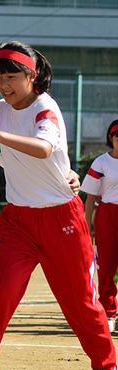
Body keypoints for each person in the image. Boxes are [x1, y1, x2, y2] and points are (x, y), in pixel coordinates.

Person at [0, 41, 118, 370]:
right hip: (18, 220)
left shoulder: (45, 107)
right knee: (0, 291)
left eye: (12, 77)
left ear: (32, 77)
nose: (4, 85)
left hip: (61, 219)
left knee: (81, 304)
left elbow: (43, 148)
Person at [81, 119, 118, 333]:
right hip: (108, 214)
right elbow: (90, 197)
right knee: (107, 266)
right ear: (111, 139)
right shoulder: (101, 163)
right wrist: (87, 228)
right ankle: (109, 312)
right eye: (117, 136)